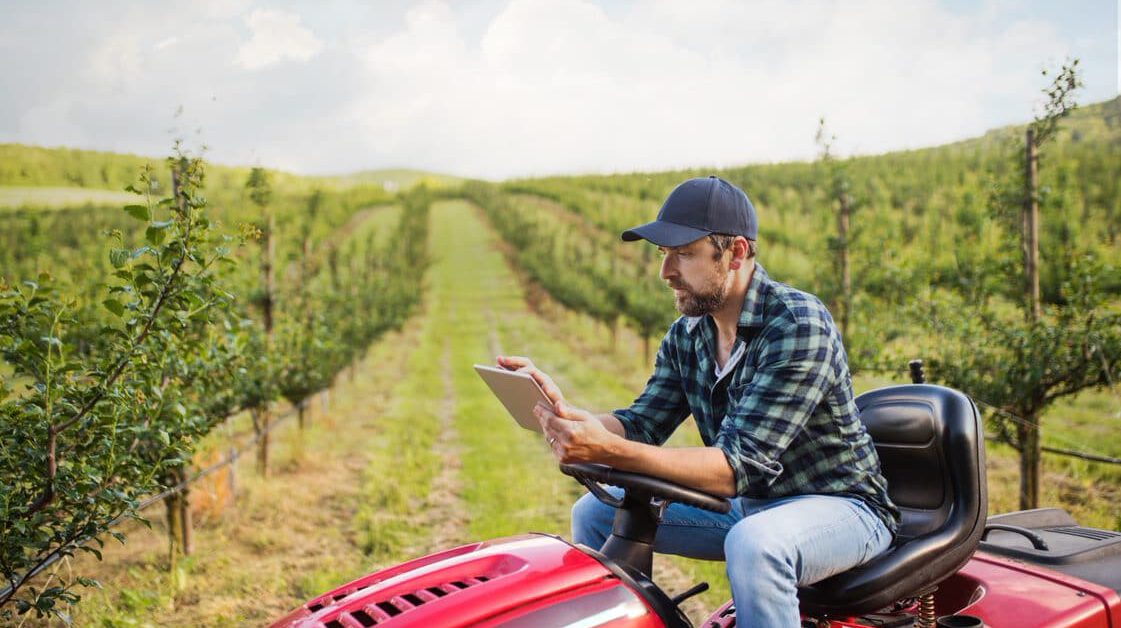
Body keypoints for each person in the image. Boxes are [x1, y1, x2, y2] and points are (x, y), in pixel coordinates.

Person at [497, 175, 898, 628]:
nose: (665, 271)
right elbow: (641, 423)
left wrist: (608, 450)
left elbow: (734, 468)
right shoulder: (688, 334)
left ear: (737, 253)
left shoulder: (798, 325)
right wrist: (566, 414)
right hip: (752, 505)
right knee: (596, 511)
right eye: (663, 253)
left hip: (843, 508)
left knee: (757, 544)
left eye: (683, 254)